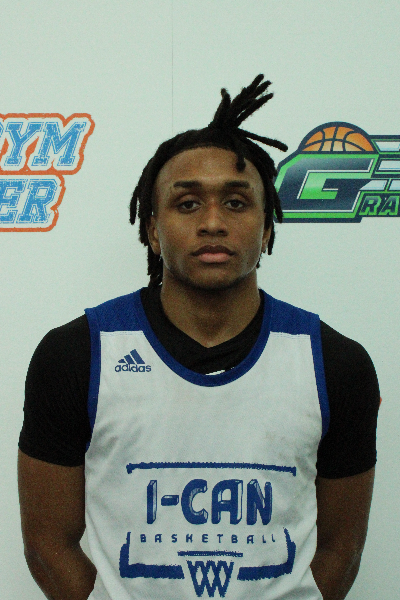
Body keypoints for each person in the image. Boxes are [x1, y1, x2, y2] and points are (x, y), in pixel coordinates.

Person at [18, 75, 380, 600]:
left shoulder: (335, 363)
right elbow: (47, 545)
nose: (212, 222)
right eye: (187, 204)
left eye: (236, 203)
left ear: (268, 227)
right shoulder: (77, 355)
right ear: (152, 229)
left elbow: (341, 549)